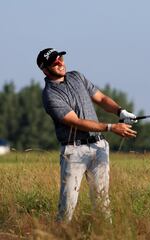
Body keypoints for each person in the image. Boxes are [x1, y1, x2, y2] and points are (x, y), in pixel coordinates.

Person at [36, 48, 137, 223]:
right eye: (55, 62)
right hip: (73, 150)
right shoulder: (50, 95)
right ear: (45, 69)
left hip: (98, 147)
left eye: (60, 58)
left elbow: (101, 99)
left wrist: (120, 112)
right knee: (68, 204)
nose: (60, 63)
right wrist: (111, 127)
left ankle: (106, 234)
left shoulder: (76, 76)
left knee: (102, 201)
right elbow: (76, 122)